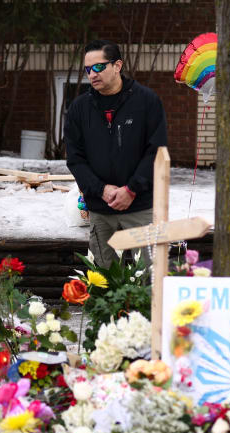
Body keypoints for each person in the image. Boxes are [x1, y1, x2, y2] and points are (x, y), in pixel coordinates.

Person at [66, 39, 168, 269]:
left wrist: (131, 189)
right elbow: (75, 158)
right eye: (87, 69)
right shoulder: (79, 109)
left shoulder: (147, 102)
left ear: (118, 66)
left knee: (149, 276)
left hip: (141, 206)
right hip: (101, 210)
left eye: (99, 67)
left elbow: (157, 152)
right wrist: (101, 190)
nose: (92, 74)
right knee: (103, 279)